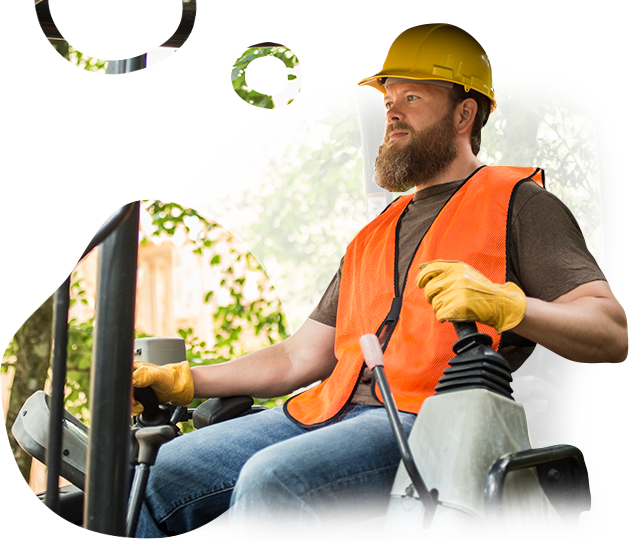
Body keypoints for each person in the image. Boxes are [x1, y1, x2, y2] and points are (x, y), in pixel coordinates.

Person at [132, 24, 628, 540]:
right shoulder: (372, 235)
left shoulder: (519, 203)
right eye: (389, 97)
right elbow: (297, 358)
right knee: (155, 473)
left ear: (465, 113)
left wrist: (510, 306)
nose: (392, 110)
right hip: (328, 412)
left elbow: (611, 330)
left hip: (433, 425)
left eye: (412, 96)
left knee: (272, 481)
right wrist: (188, 378)